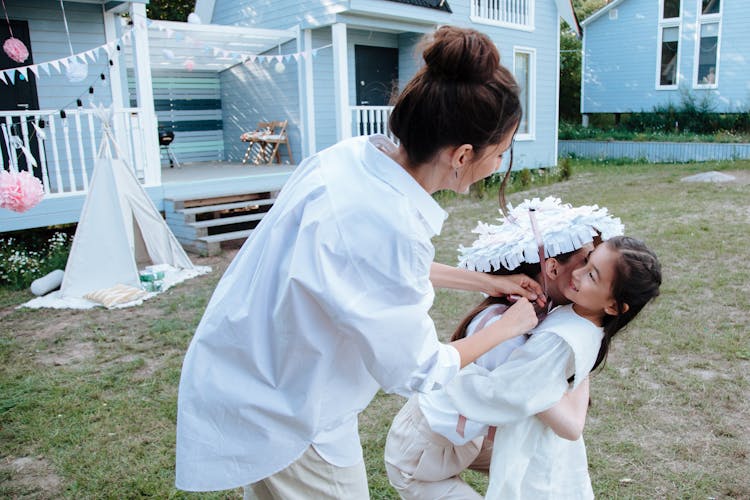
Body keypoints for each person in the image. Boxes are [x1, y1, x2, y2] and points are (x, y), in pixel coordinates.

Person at [175, 26, 542, 496]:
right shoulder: (389, 225)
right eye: (501, 152)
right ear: (463, 154)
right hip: (291, 407)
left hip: (248, 374)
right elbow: (417, 369)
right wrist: (506, 328)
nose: (498, 164)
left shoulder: (351, 158)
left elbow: (361, 271)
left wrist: (485, 284)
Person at [385, 205, 661, 499]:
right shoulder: (512, 333)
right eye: (585, 261)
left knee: (540, 468)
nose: (581, 273)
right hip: (421, 453)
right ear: (552, 267)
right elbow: (569, 424)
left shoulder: (563, 317)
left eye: (591, 271)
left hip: (465, 437)